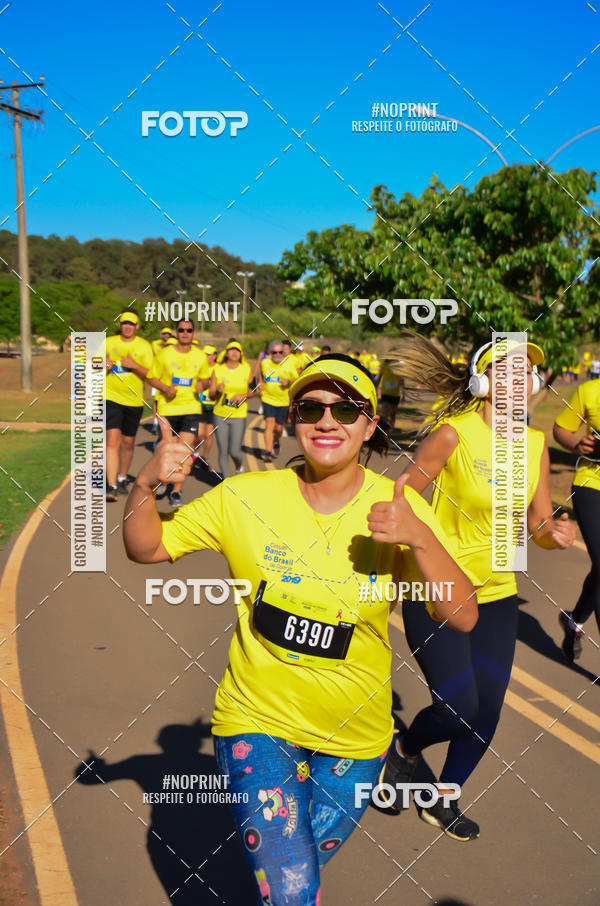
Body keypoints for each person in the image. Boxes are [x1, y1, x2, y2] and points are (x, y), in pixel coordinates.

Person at [123, 352, 478, 906]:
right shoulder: (245, 497)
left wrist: (421, 538)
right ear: (294, 420)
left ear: (370, 425)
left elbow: (463, 615)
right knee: (292, 889)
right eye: (312, 408)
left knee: (296, 871)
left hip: (357, 741)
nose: (328, 421)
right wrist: (146, 483)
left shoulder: (399, 508)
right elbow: (146, 547)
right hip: (256, 720)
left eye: (347, 409)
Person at [378, 333, 576, 841]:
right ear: (483, 383)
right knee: (457, 708)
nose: (520, 379)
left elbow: (536, 522)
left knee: (487, 710)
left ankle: (443, 799)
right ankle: (403, 750)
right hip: (438, 592)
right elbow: (404, 493)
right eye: (507, 370)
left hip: (498, 594)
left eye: (526, 372)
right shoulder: (453, 435)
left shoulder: (535, 446)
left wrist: (553, 534)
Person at [553, 377, 600, 659]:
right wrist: (576, 445)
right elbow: (561, 429)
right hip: (591, 484)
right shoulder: (590, 391)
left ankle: (574, 622)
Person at [146, 320, 210, 507]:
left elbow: (205, 380)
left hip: (191, 408)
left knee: (184, 451)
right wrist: (165, 388)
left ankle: (176, 491)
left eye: (189, 330)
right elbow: (151, 377)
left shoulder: (200, 356)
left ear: (194, 334)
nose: (185, 333)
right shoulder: (164, 354)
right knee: (168, 449)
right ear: (176, 333)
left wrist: (202, 385)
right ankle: (163, 479)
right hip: (168, 409)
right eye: (181, 330)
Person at [104, 310, 153, 501]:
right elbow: (91, 365)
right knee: (112, 441)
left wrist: (135, 365)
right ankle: (111, 485)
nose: (127, 326)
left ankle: (122, 478)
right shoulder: (108, 342)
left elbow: (150, 374)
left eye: (131, 324)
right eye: (124, 323)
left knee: (128, 443)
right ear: (120, 324)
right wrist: (102, 365)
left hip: (133, 400)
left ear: (137, 326)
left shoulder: (144, 346)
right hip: (110, 397)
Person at [210, 340, 253, 477]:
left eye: (237, 350)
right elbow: (211, 395)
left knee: (234, 451)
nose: (234, 352)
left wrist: (243, 395)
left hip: (238, 415)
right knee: (223, 451)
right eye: (231, 350)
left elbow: (253, 391)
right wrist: (217, 390)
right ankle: (226, 480)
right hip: (220, 414)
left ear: (241, 354)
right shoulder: (217, 369)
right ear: (226, 353)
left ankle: (239, 465)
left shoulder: (246, 368)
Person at [258, 340, 298, 462]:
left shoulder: (288, 365)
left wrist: (288, 381)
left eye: (280, 352)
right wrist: (260, 383)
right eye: (275, 352)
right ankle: (268, 452)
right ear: (270, 352)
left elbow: (296, 378)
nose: (278, 354)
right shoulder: (265, 363)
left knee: (279, 429)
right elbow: (260, 373)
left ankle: (275, 441)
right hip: (267, 399)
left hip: (283, 401)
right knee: (269, 425)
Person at [195, 344, 218, 469]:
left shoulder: (218, 369)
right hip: (200, 404)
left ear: (214, 355)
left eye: (209, 354)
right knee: (199, 434)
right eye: (204, 354)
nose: (206, 357)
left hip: (213, 406)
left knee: (209, 434)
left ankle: (205, 459)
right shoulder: (198, 367)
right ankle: (195, 454)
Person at [150, 327, 175, 435]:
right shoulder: (156, 344)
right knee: (156, 401)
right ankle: (156, 423)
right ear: (161, 334)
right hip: (157, 377)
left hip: (170, 379)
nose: (166, 335)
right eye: (164, 333)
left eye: (168, 334)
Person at [378, 359, 405, 431]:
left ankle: (391, 431)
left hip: (395, 394)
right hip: (385, 393)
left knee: (393, 414)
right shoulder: (384, 365)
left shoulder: (399, 367)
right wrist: (375, 389)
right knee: (385, 414)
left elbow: (402, 381)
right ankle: (384, 431)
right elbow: (379, 378)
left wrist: (403, 395)